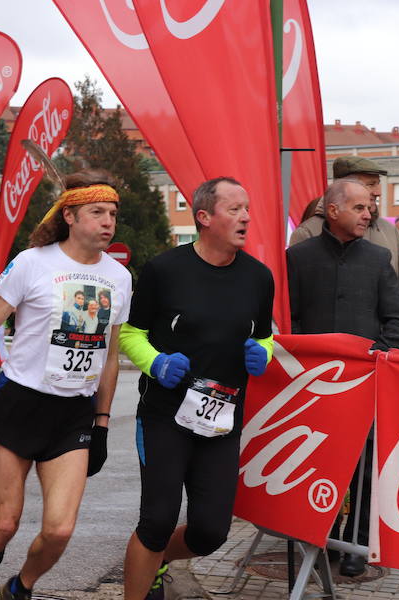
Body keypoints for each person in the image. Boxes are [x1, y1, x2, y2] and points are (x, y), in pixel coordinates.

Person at [0, 170, 132, 600]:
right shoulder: (33, 263)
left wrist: (102, 424)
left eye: (113, 214)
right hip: (22, 403)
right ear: (70, 215)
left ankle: (20, 586)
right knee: (5, 523)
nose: (108, 222)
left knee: (60, 529)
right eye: (97, 212)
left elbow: (108, 356)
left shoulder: (119, 278)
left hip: (73, 414)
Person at [119, 177, 274, 600]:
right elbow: (131, 334)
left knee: (211, 532)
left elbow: (263, 335)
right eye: (235, 209)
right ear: (205, 217)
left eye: (247, 208)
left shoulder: (259, 278)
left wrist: (265, 352)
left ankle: (155, 560)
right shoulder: (164, 270)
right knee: (156, 520)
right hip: (165, 416)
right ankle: (142, 576)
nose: (246, 217)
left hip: (222, 420)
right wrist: (157, 362)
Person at [287, 179, 399, 578]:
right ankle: (320, 534)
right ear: (333, 210)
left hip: (366, 384)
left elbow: (396, 319)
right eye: (359, 207)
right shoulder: (299, 257)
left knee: (362, 466)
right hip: (314, 387)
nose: (368, 214)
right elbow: (291, 320)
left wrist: (377, 355)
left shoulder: (376, 259)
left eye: (368, 208)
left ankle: (356, 545)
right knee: (318, 462)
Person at [290, 156, 399, 341]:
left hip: (381, 357)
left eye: (378, 183)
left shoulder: (389, 231)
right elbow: (292, 309)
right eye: (370, 183)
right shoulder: (306, 234)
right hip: (320, 363)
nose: (378, 191)